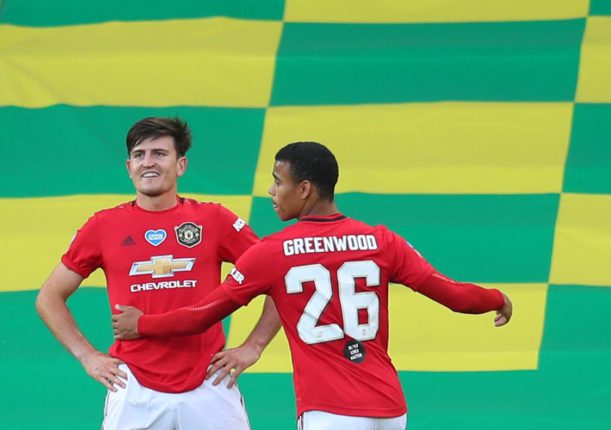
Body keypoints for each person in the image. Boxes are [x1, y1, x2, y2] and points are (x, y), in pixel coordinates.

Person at [112, 141, 513, 430]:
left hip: (329, 411)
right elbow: (456, 296)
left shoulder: (274, 252)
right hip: (390, 409)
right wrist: (497, 298)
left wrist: (142, 326)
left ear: (304, 189)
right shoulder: (381, 240)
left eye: (277, 181)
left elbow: (203, 314)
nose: (271, 191)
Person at [36, 117, 281, 430]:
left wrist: (254, 346)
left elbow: (279, 277)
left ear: (181, 165)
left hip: (210, 382)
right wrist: (87, 356)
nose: (148, 163)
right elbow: (49, 297)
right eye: (139, 155)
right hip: (132, 385)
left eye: (159, 154)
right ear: (128, 167)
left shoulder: (214, 219)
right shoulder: (102, 225)